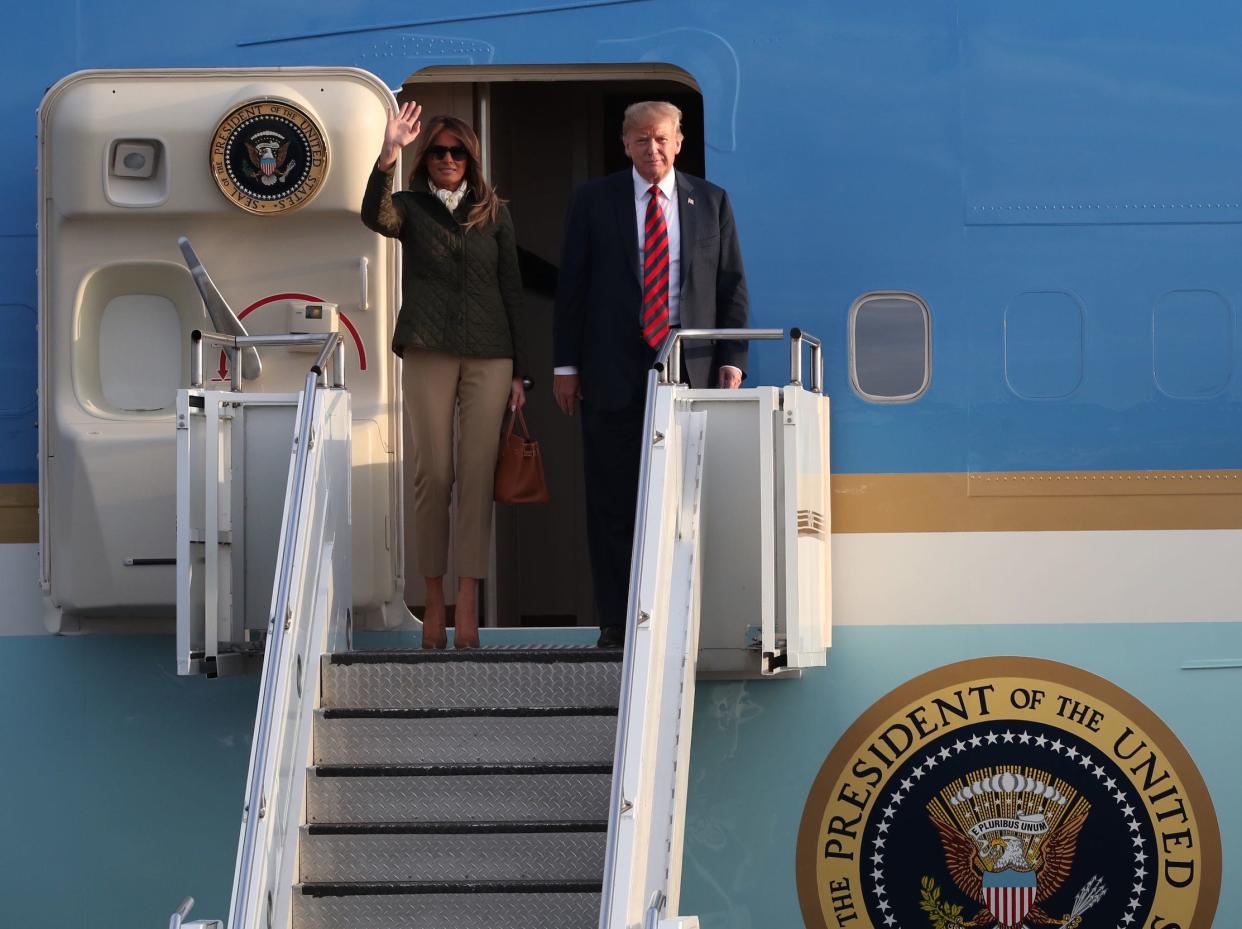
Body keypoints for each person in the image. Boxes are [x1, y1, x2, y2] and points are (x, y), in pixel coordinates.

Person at [553, 100, 749, 648]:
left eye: (661, 138)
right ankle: (616, 621)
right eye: (641, 139)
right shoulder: (594, 200)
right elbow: (573, 288)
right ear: (625, 144)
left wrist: (732, 358)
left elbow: (731, 287)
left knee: (687, 497)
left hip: (691, 370)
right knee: (614, 498)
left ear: (679, 141)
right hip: (612, 371)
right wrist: (566, 366)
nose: (652, 149)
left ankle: (683, 614)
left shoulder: (710, 202)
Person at [361, 101, 527, 649]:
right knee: (434, 472)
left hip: (491, 354)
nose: (447, 159)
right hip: (429, 348)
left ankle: (468, 600)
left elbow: (512, 291)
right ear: (425, 159)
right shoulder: (408, 206)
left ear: (471, 159)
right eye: (437, 152)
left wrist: (520, 372)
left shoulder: (493, 212)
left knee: (477, 476)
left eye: (457, 152)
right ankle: (432, 596)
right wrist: (388, 154)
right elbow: (374, 217)